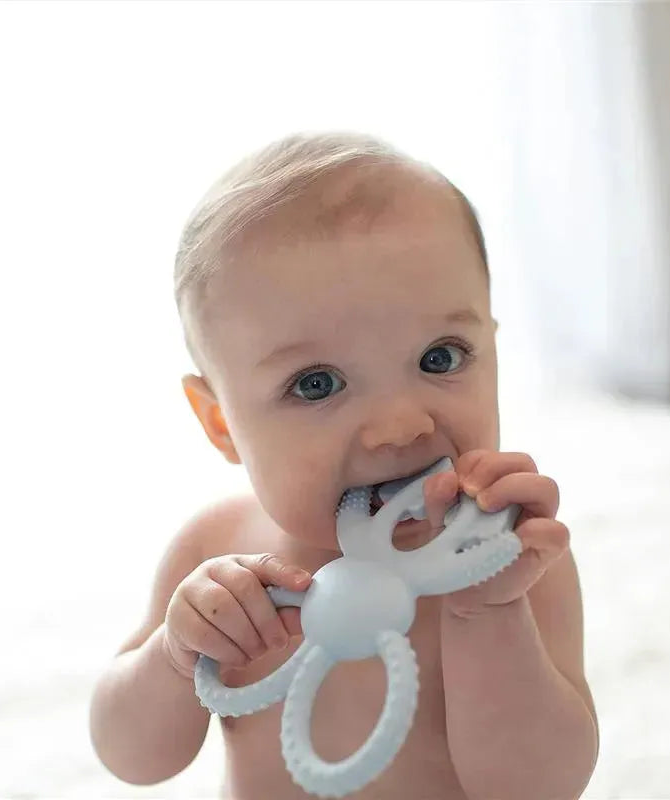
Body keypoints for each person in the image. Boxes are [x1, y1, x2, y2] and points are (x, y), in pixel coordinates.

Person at [89, 132, 599, 799]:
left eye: (441, 357)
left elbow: (539, 788)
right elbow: (131, 758)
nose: (401, 426)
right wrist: (174, 657)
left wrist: (490, 614)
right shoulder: (212, 551)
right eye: (317, 384)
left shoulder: (514, 562)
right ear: (221, 423)